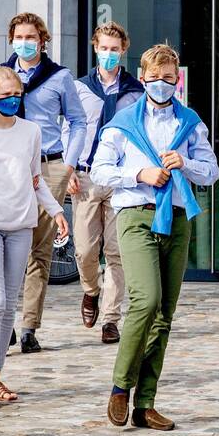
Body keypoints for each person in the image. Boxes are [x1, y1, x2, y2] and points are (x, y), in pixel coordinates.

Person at [91, 43, 219, 430]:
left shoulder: (191, 122)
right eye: (155, 77)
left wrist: (187, 163)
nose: (162, 83)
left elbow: (211, 171)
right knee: (146, 301)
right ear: (142, 77)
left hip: (178, 219)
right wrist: (139, 174)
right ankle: (120, 386)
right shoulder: (124, 123)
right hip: (136, 216)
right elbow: (99, 170)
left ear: (176, 79)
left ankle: (145, 403)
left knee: (164, 315)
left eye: (169, 77)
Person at [0, 11, 86, 354]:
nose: (25, 43)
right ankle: (4, 319)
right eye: (19, 37)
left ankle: (28, 327)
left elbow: (78, 121)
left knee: (39, 248)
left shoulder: (59, 77)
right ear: (11, 40)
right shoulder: (1, 76)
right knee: (8, 243)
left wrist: (69, 165)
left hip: (48, 165)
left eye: (31, 38)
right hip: (7, 168)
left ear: (42, 41)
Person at [0, 67, 69, 409]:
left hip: (22, 226)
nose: (12, 99)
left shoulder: (31, 132)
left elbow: (36, 180)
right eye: (5, 94)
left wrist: (56, 211)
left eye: (17, 94)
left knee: (10, 303)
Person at [69, 21, 143, 345]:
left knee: (116, 252)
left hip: (120, 178)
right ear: (95, 48)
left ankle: (111, 319)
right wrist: (68, 168)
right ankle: (90, 291)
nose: (109, 54)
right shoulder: (79, 88)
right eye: (104, 48)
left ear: (123, 49)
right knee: (85, 249)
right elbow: (69, 129)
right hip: (86, 176)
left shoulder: (136, 91)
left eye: (115, 49)